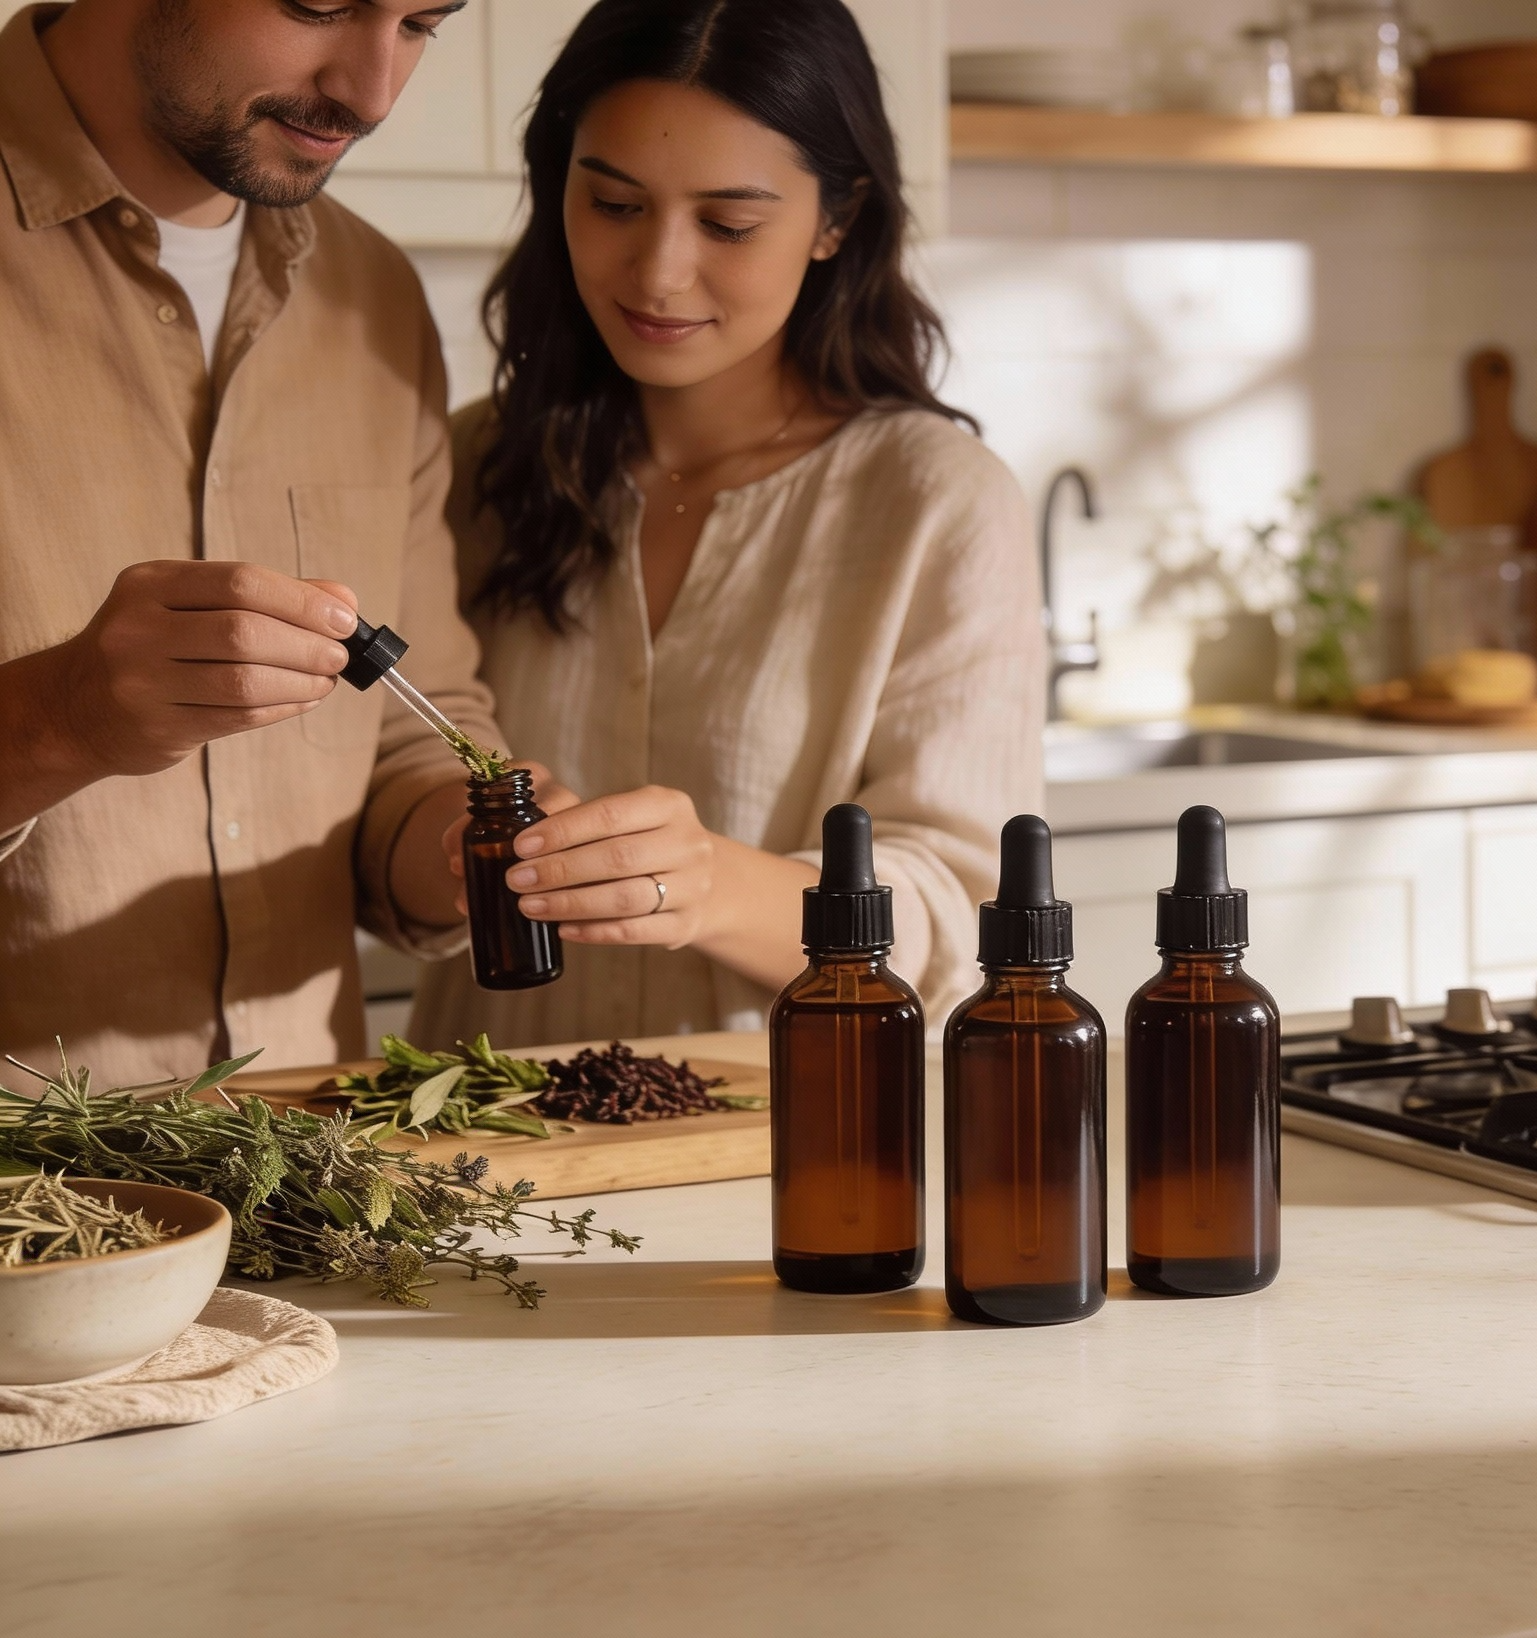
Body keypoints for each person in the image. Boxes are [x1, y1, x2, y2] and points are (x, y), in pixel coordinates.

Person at [408, 0, 1042, 1047]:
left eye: (728, 224)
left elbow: (969, 917)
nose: (657, 272)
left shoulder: (934, 500)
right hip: (483, 1133)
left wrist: (710, 889)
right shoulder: (471, 463)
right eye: (612, 205)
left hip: (789, 1143)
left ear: (836, 220)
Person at [0, 0, 533, 1089]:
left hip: (312, 1181)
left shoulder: (375, 297)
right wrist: (62, 719)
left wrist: (470, 841)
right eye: (319, 5)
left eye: (423, 21)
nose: (373, 92)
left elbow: (406, 733)